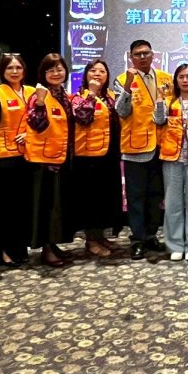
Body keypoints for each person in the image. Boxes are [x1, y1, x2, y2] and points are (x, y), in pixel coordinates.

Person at [113, 40, 172, 260]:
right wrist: (128, 85)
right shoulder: (122, 80)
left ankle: (150, 235)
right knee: (136, 197)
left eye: (146, 53)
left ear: (153, 55)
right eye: (137, 54)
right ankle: (137, 239)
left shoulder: (166, 79)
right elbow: (122, 111)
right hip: (135, 148)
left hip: (162, 147)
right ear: (131, 57)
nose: (142, 57)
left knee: (155, 196)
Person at [23, 53, 77, 267]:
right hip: (44, 161)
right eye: (50, 69)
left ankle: (53, 244)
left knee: (57, 206)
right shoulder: (38, 95)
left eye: (59, 69)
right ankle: (46, 249)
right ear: (43, 74)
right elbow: (36, 124)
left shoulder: (65, 95)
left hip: (63, 158)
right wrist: (39, 102)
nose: (56, 73)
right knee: (45, 206)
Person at [70, 58, 124, 258]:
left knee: (105, 198)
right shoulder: (78, 97)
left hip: (109, 155)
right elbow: (83, 118)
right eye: (93, 70)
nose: (97, 74)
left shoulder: (110, 97)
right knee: (90, 200)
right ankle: (91, 240)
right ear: (86, 75)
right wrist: (91, 94)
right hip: (88, 157)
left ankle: (100, 236)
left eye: (102, 71)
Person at [0, 53, 35, 267]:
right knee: (6, 206)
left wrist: (30, 134)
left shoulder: (32, 92)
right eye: (9, 68)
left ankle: (19, 248)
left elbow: (41, 120)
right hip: (4, 155)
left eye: (18, 68)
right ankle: (1, 252)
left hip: (29, 155)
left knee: (23, 205)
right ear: (2, 72)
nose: (14, 72)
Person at [154, 63, 188, 261]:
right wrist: (160, 99)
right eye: (181, 77)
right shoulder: (169, 101)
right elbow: (158, 120)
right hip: (171, 159)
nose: (185, 80)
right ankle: (175, 245)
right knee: (172, 205)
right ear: (176, 81)